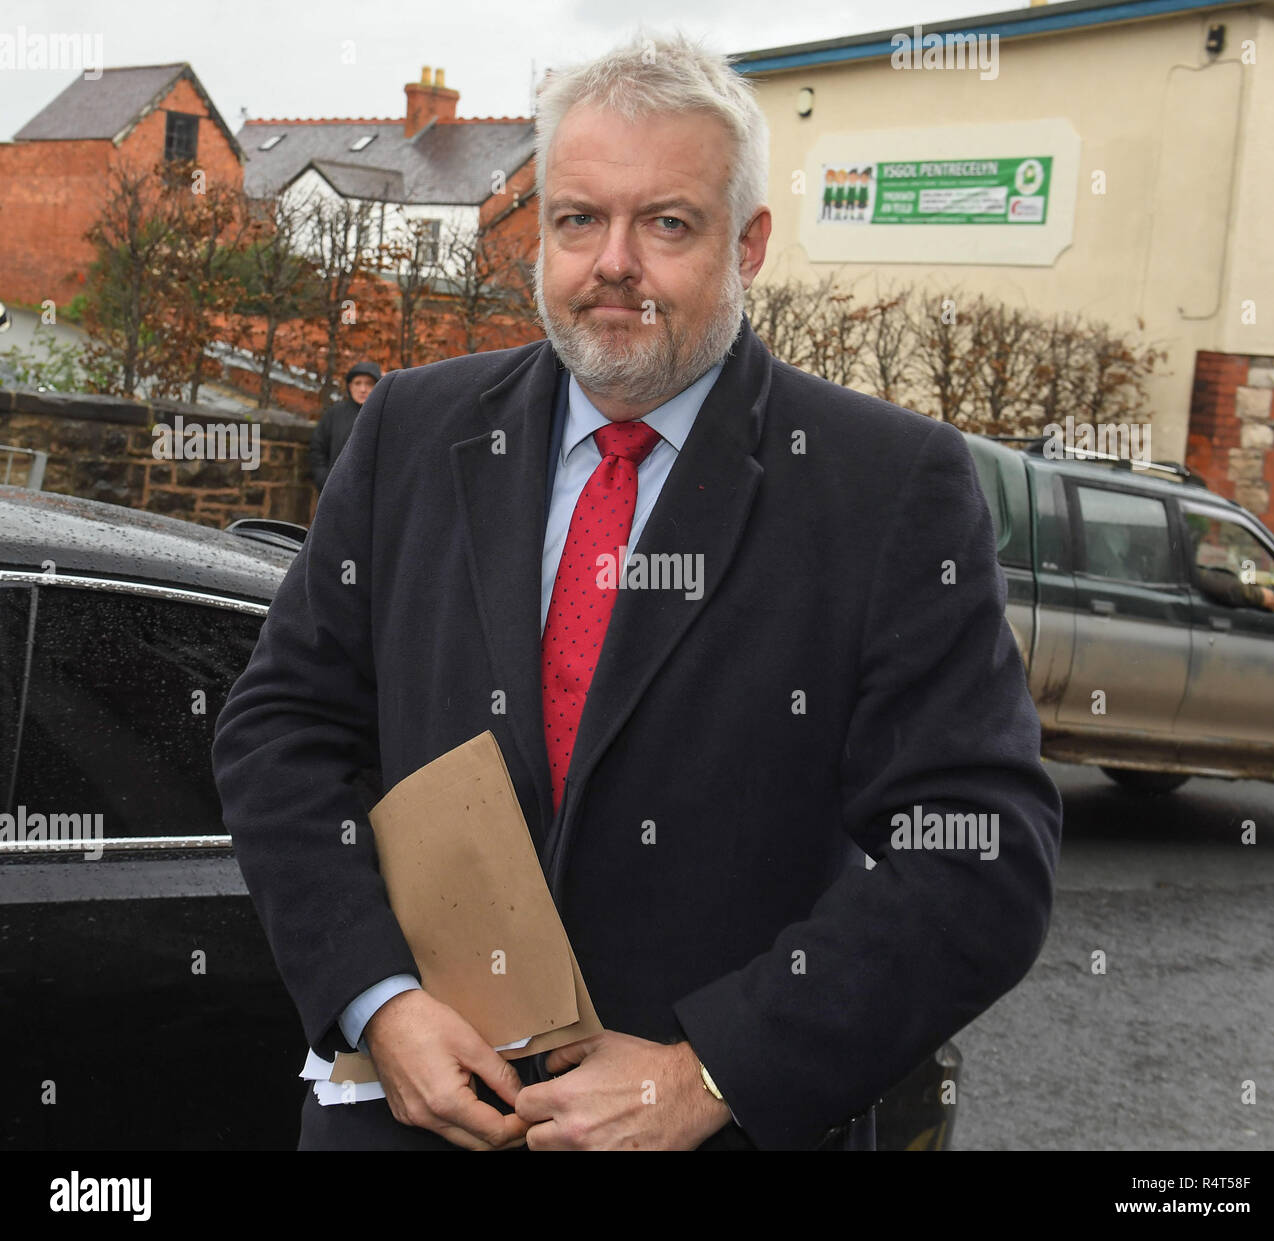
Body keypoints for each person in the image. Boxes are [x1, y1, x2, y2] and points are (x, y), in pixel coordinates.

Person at [212, 32, 1061, 1152]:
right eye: (577, 219)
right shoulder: (413, 431)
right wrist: (377, 995)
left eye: (666, 222)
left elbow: (978, 851)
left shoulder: (886, 487)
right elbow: (280, 728)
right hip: (411, 1123)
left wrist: (709, 1070)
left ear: (747, 241)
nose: (612, 261)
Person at [308, 361, 381, 492]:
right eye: (358, 383)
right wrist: (324, 481)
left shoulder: (384, 416)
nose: (363, 389)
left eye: (369, 383)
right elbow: (317, 449)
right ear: (349, 386)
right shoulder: (335, 414)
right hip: (335, 491)